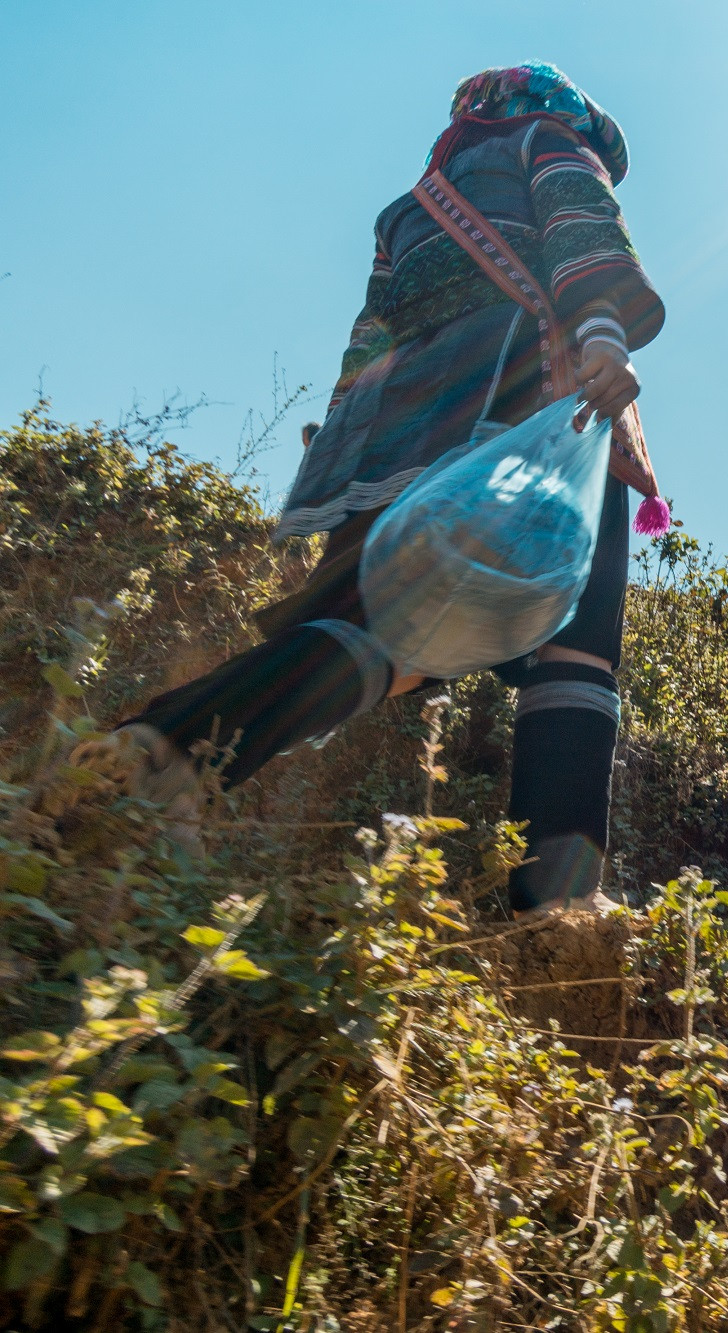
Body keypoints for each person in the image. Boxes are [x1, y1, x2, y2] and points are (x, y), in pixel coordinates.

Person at [60, 64, 664, 919]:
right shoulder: (549, 141)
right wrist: (605, 337)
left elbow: (370, 338)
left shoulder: (409, 208)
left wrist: (343, 440)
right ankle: (556, 909)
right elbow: (580, 228)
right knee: (576, 653)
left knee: (374, 628)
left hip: (398, 429)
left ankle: (165, 748)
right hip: (534, 409)